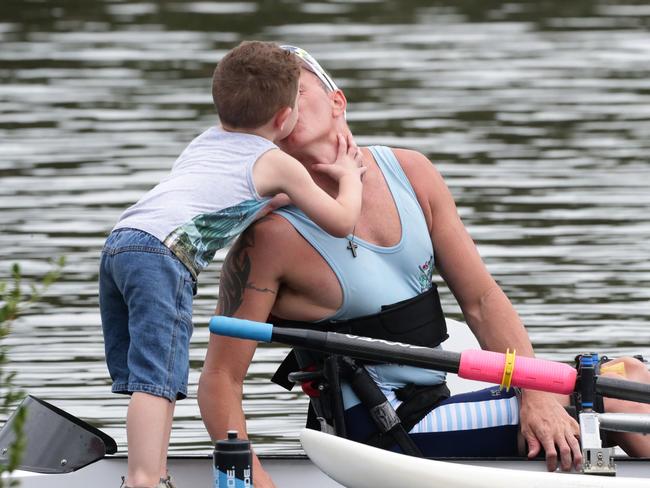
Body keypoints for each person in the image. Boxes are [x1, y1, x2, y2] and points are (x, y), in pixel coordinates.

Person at [197, 46, 650, 488]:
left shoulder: (411, 172)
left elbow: (481, 299)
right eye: (276, 97)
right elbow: (221, 377)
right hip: (384, 430)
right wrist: (250, 479)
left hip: (441, 400)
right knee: (618, 395)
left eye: (296, 88)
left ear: (338, 101)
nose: (286, 103)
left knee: (632, 376)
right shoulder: (269, 238)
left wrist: (534, 393)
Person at [99, 41, 365, 488]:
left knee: (142, 377)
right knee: (157, 380)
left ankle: (151, 468)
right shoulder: (277, 162)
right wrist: (349, 178)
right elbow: (341, 222)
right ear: (284, 118)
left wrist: (280, 198)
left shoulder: (205, 142)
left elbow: (225, 199)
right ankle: (145, 479)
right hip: (163, 256)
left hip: (121, 243)